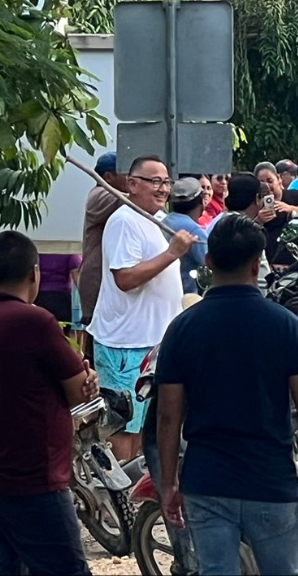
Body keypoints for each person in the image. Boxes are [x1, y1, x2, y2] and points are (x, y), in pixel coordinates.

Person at [156, 214, 298, 576]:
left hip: (207, 481)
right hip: (270, 480)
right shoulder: (286, 326)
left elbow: (169, 415)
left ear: (208, 262)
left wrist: (170, 481)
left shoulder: (182, 328)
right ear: (257, 265)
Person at [0, 230, 100, 576]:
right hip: (34, 477)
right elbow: (78, 391)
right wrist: (87, 381)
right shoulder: (35, 321)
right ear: (34, 273)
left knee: (6, 567)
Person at [90, 156, 194, 461]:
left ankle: (135, 499)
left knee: (146, 428)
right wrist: (173, 253)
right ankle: (120, 503)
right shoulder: (124, 220)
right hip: (126, 345)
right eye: (155, 182)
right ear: (132, 185)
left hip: (153, 345)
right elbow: (125, 278)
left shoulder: (156, 219)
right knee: (125, 430)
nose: (162, 189)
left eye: (166, 182)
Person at [79, 151, 127, 330]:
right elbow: (133, 201)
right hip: (97, 283)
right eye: (126, 173)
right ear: (109, 176)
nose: (131, 179)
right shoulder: (99, 195)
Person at [255, 162, 298, 270]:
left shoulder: (294, 196)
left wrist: (291, 209)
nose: (267, 186)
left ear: (278, 179)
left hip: (296, 265)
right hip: (268, 266)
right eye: (262, 182)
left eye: (270, 181)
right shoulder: (254, 203)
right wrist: (258, 220)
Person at [165, 178, 210, 294]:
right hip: (186, 296)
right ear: (201, 200)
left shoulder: (165, 221)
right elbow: (210, 264)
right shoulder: (194, 230)